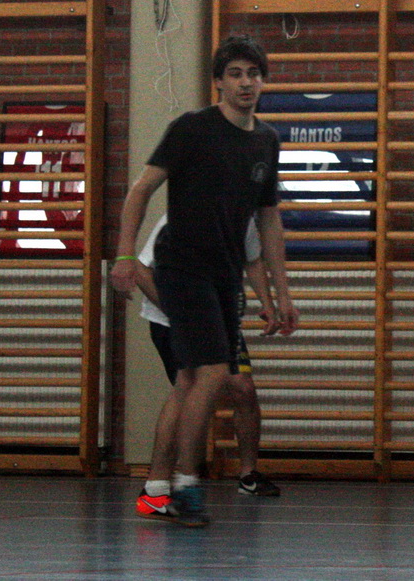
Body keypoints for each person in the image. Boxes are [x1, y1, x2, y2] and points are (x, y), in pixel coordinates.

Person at [111, 34, 299, 527]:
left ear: (264, 81)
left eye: (253, 74)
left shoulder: (266, 140)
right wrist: (126, 255)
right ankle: (186, 486)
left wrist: (282, 294)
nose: (245, 83)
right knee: (214, 373)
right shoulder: (192, 129)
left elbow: (268, 220)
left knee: (191, 382)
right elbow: (140, 190)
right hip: (181, 269)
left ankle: (157, 489)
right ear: (218, 82)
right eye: (235, 74)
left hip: (224, 277)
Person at [131, 213, 290, 523]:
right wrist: (181, 312)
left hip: (215, 320)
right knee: (187, 390)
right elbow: (140, 268)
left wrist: (268, 303)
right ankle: (158, 489)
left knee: (242, 387)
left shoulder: (244, 214)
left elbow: (253, 259)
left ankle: (246, 475)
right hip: (175, 321)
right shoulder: (182, 217)